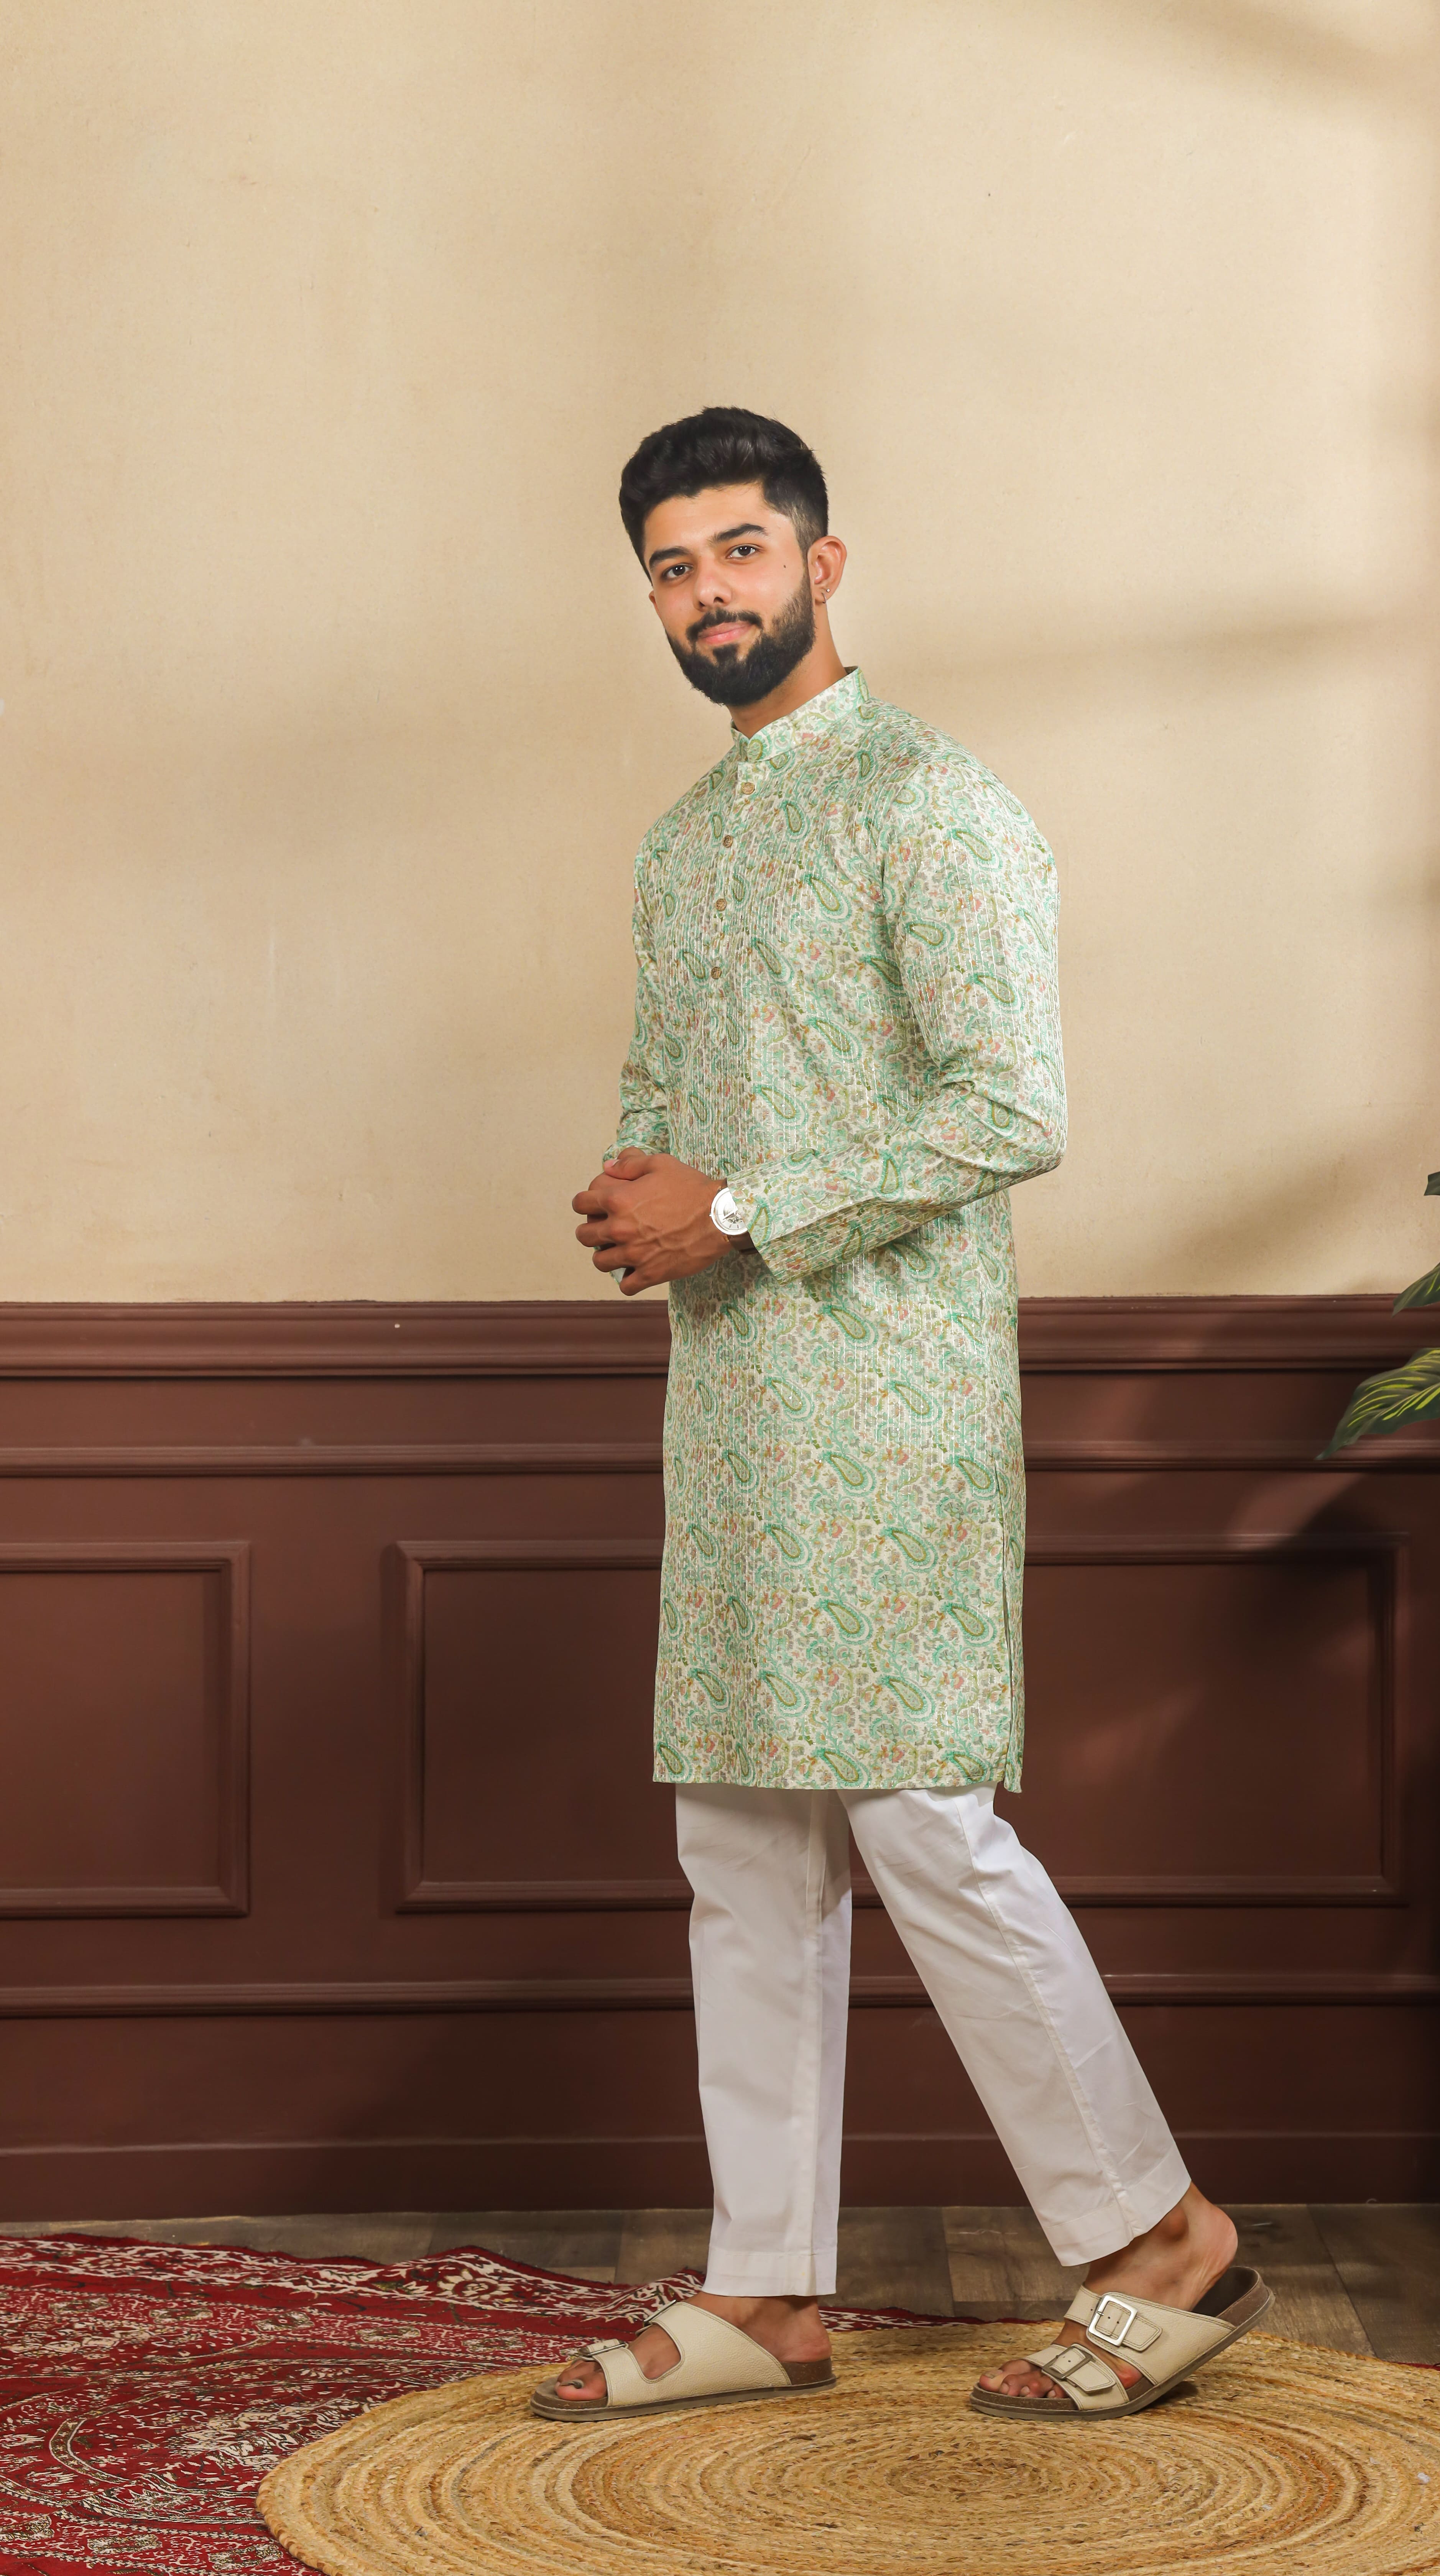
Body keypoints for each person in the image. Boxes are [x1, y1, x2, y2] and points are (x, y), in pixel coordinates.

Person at [533, 408, 1269, 2427]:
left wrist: (735, 1209)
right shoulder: (684, 843)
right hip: (736, 1398)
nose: (711, 593)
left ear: (824, 564)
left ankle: (1162, 2239)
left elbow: (1011, 1104)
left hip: (894, 1397)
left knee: (922, 1823)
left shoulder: (936, 803)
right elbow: (677, 1100)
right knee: (740, 1836)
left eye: (742, 550)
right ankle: (767, 2291)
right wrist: (641, 1193)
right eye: (674, 566)